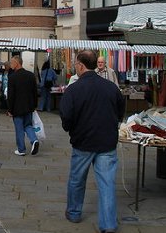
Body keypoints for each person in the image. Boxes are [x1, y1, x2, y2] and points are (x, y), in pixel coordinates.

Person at [60, 49, 125, 233]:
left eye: (75, 64)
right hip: (106, 142)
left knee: (76, 180)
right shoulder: (111, 87)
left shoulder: (73, 89)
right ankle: (109, 224)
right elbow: (120, 110)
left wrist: (70, 129)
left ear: (80, 65)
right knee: (107, 184)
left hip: (83, 142)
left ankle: (73, 212)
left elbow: (66, 116)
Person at [7, 55, 39, 156]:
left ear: (17, 63)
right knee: (28, 125)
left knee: (19, 128)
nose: (10, 64)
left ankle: (21, 149)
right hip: (29, 106)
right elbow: (35, 92)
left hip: (17, 107)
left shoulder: (12, 77)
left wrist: (10, 109)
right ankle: (34, 140)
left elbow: (10, 95)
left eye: (12, 62)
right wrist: (34, 105)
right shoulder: (31, 75)